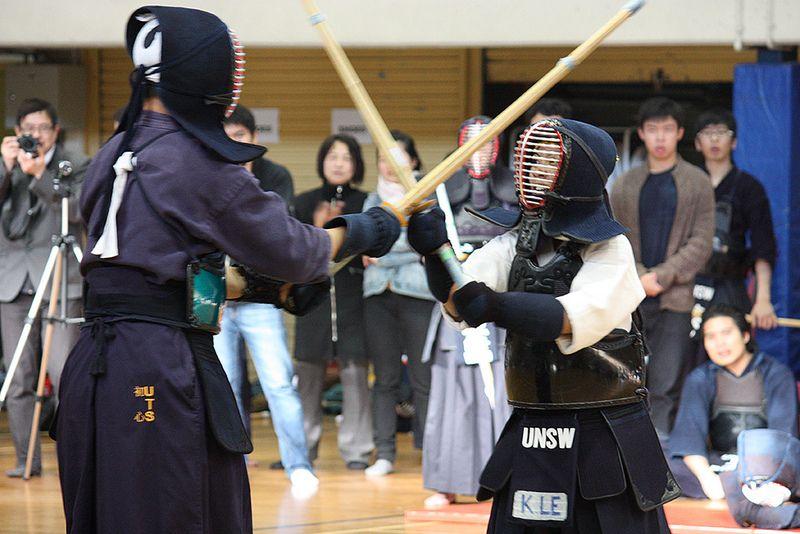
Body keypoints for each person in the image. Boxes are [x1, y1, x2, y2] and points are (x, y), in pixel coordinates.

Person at [52, 7, 401, 533]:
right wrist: (368, 228)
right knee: (171, 515)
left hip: (94, 366)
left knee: (109, 513)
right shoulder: (195, 161)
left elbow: (144, 276)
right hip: (155, 366)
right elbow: (299, 251)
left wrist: (259, 289)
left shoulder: (111, 153)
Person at [408, 118, 678, 533]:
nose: (535, 172)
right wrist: (435, 254)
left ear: (580, 173)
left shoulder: (611, 251)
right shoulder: (514, 243)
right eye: (533, 162)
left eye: (550, 162)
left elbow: (567, 317)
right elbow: (461, 302)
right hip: (533, 425)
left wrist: (493, 305)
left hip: (602, 429)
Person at [212, 105, 318, 494]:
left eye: (240, 135)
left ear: (255, 138)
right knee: (224, 383)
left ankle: (298, 465)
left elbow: (275, 230)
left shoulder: (274, 176)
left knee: (278, 383)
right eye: (226, 136)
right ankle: (232, 461)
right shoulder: (207, 174)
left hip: (259, 297)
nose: (233, 143)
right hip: (219, 296)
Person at [421, 116, 514, 507]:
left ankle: (505, 478)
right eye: (472, 143)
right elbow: (427, 248)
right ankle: (448, 481)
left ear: (498, 147)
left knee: (505, 391)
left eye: (487, 143)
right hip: (456, 303)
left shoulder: (514, 194)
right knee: (453, 392)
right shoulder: (442, 192)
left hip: (501, 304)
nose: (479, 151)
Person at [611, 97, 715, 437]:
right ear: (641, 133)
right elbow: (614, 238)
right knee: (626, 378)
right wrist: (641, 275)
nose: (660, 137)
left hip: (676, 299)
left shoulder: (697, 181)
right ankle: (627, 449)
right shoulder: (624, 184)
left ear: (680, 133)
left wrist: (663, 275)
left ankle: (662, 452)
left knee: (667, 382)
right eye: (653, 129)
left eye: (667, 129)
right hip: (631, 297)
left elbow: (702, 241)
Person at [0, 97, 89, 478]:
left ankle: (75, 460)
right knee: (18, 377)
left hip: (59, 281)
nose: (34, 136)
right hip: (12, 283)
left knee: (65, 375)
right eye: (27, 129)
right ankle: (26, 460)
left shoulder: (75, 163)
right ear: (17, 131)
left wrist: (40, 176)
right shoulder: (6, 162)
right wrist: (6, 169)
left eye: (41, 128)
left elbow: (80, 210)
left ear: (55, 131)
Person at [292, 134, 374, 470]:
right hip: (313, 304)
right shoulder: (303, 202)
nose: (339, 163)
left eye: (346, 157)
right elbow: (293, 252)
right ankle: (303, 449)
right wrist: (317, 229)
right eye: (332, 156)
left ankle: (357, 450)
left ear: (356, 164)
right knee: (307, 378)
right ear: (322, 162)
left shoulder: (366, 204)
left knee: (355, 376)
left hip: (354, 303)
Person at [360, 130, 436, 477]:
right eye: (383, 158)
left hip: (419, 295)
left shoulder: (426, 194)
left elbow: (424, 243)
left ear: (413, 160)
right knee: (385, 379)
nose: (389, 165)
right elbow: (368, 243)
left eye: (397, 157)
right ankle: (385, 453)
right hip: (378, 297)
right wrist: (401, 251)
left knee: (423, 379)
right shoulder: (371, 200)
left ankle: (432, 454)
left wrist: (385, 256)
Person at [668, 305, 797, 500]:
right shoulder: (700, 378)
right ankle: (741, 492)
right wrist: (707, 479)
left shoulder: (776, 374)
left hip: (766, 467)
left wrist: (766, 478)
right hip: (719, 465)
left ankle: (748, 490)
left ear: (745, 335)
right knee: (664, 463)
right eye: (711, 337)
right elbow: (688, 436)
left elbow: (784, 437)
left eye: (726, 333)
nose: (719, 343)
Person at [691, 109, 778, 340]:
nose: (715, 139)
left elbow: (763, 246)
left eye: (722, 132)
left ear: (734, 141)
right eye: (707, 133)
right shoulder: (688, 183)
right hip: (689, 283)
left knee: (731, 344)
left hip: (730, 283)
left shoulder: (750, 187)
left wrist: (763, 299)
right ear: (698, 143)